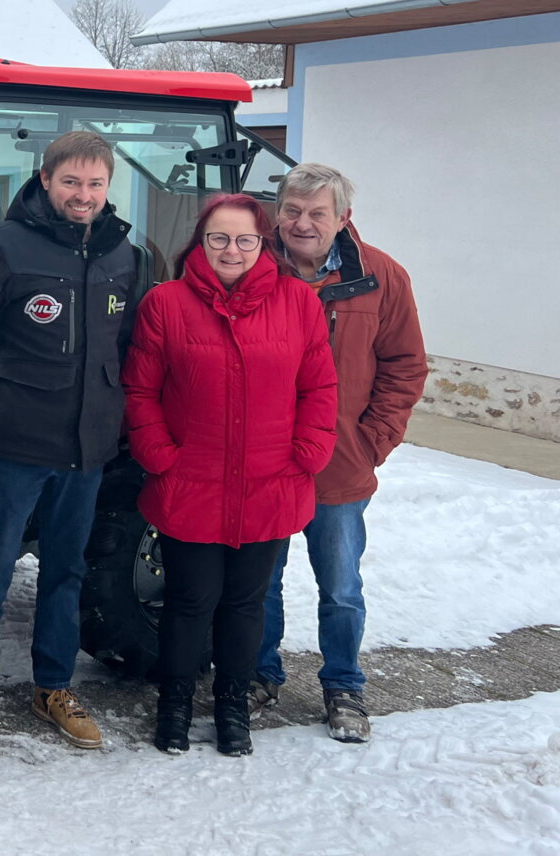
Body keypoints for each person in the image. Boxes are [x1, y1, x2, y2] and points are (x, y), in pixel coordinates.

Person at [0, 131, 143, 763]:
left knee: (66, 573)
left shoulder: (121, 254)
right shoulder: (2, 248)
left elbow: (127, 351)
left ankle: (54, 688)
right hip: (15, 448)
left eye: (95, 184)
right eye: (71, 182)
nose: (84, 195)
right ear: (45, 180)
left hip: (87, 452)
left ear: (108, 188)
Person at [122, 193, 337, 756]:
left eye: (245, 239)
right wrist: (158, 450)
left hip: (271, 481)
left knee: (246, 604)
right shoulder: (165, 303)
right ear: (201, 242)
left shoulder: (297, 302)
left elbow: (319, 386)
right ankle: (174, 703)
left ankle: (232, 705)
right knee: (190, 602)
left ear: (263, 243)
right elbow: (141, 389)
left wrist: (311, 446)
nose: (232, 250)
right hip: (190, 480)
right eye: (219, 238)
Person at [251, 163, 427, 743]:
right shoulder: (252, 266)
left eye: (317, 213)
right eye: (293, 211)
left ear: (342, 217)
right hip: (266, 462)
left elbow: (405, 365)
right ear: (279, 212)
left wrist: (374, 438)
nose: (302, 223)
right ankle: (259, 676)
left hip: (341, 461)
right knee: (260, 580)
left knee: (342, 586)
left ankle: (344, 686)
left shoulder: (382, 276)